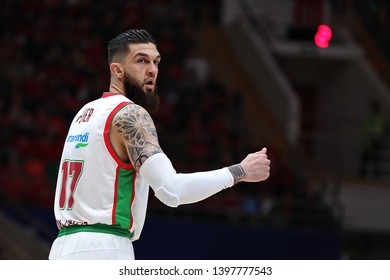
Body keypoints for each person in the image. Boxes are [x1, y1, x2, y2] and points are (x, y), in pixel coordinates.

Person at [48, 29, 271, 260]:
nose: (152, 69)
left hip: (62, 249)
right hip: (104, 248)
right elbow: (171, 190)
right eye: (141, 60)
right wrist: (240, 172)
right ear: (117, 70)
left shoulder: (84, 113)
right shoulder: (130, 114)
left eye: (156, 62)